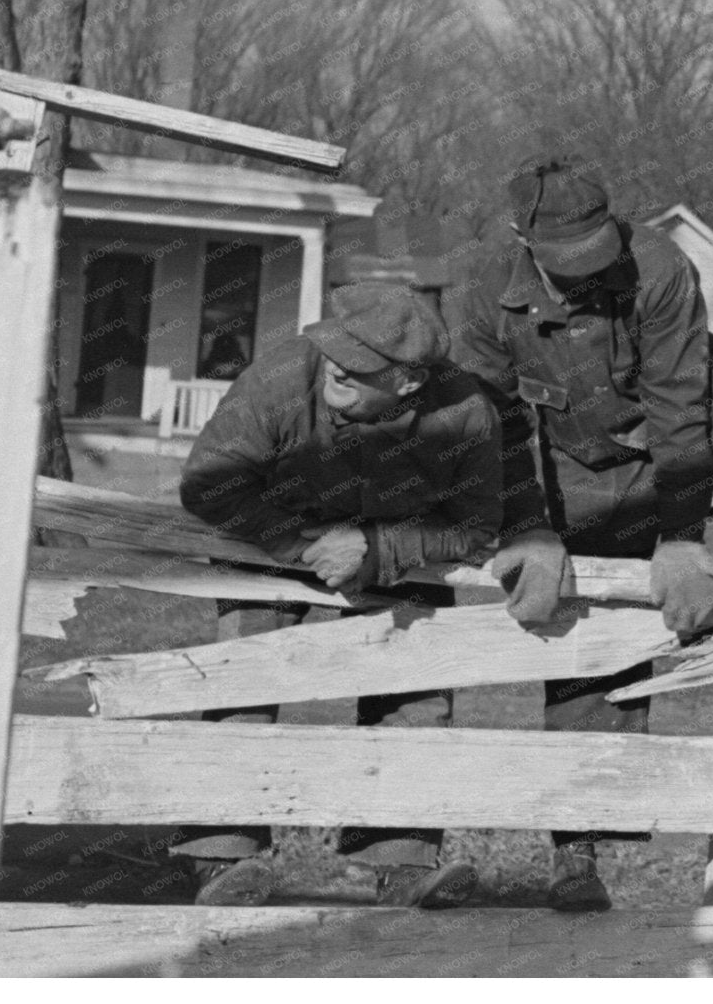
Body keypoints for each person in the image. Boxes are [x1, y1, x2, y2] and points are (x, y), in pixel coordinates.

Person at [444, 156, 713, 912]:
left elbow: (681, 401)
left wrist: (681, 536)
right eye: (565, 265)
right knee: (584, 638)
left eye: (596, 258)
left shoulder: (660, 267)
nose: (585, 279)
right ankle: (577, 854)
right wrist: (529, 529)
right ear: (523, 240)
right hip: (558, 456)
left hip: (670, 438)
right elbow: (494, 421)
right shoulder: (482, 286)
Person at [171, 282, 507, 908]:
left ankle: (401, 865)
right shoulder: (279, 376)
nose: (335, 368)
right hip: (269, 544)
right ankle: (221, 860)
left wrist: (378, 548)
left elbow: (477, 522)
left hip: (396, 552)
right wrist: (306, 543)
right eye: (334, 351)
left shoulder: (465, 413)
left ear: (409, 383)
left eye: (359, 366)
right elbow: (209, 485)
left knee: (415, 697)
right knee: (244, 677)